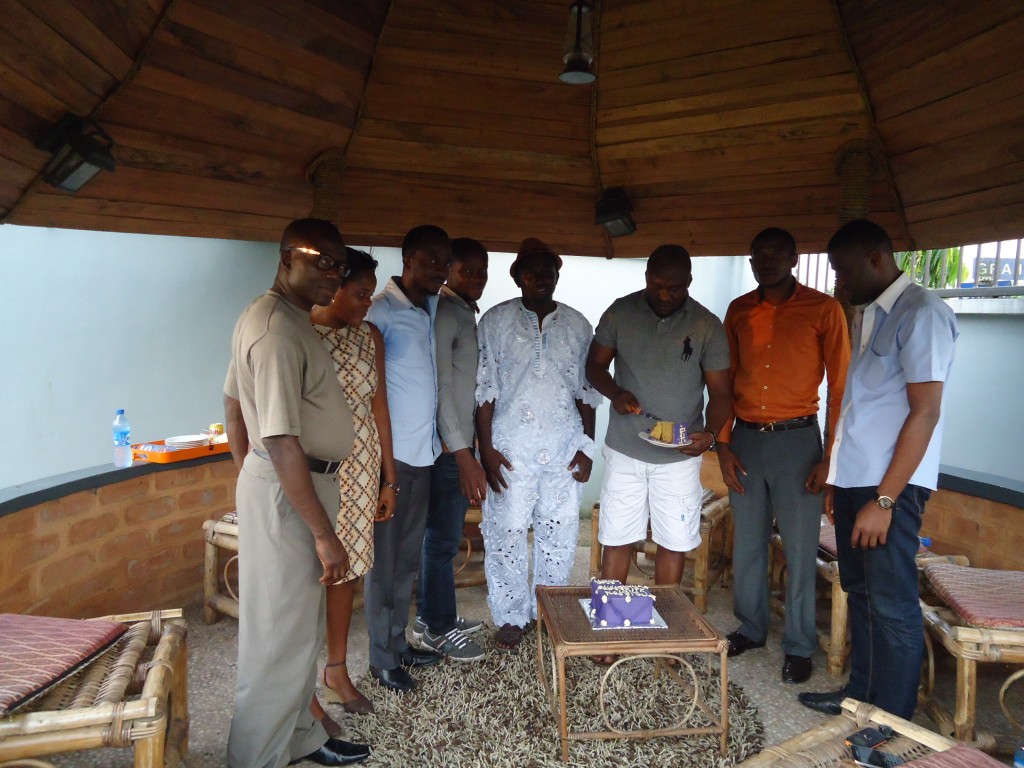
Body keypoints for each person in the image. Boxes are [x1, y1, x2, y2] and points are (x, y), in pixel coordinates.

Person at [223, 218, 370, 767]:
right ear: (288, 258)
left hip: (293, 486)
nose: (335, 274)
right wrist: (324, 535)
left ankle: (299, 739)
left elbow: (233, 402)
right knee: (276, 642)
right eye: (322, 261)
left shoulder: (278, 316)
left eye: (341, 265)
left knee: (299, 628)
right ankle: (254, 758)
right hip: (294, 491)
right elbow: (279, 438)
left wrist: (250, 475)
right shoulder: (276, 330)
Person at [798, 219, 958, 720]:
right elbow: (864, 407)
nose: (838, 284)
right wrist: (839, 480)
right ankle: (860, 697)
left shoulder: (923, 313)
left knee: (892, 604)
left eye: (844, 272)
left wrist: (884, 500)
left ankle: (892, 723)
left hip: (890, 489)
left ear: (875, 259)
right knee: (861, 593)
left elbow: (925, 411)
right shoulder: (871, 315)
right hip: (857, 482)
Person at [585, 244, 732, 665]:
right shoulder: (621, 312)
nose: (664, 294)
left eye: (675, 287)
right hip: (626, 449)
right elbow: (594, 367)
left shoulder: (706, 325)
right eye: (657, 285)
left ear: (689, 283)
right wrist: (614, 392)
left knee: (673, 541)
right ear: (646, 276)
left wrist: (710, 434)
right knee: (616, 537)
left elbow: (721, 393)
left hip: (680, 456)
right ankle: (611, 632)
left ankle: (663, 638)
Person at [717, 227, 850, 684]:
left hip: (798, 441)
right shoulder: (739, 310)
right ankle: (751, 628)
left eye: (776, 253)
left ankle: (798, 645)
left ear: (794, 258)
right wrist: (723, 444)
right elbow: (724, 382)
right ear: (751, 260)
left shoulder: (824, 308)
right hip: (747, 439)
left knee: (798, 547)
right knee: (749, 541)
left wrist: (830, 457)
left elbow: (843, 387)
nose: (766, 260)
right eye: (758, 254)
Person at [475, 238, 600, 651]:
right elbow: (484, 389)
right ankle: (511, 616)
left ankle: (550, 611)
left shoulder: (580, 325)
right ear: (516, 277)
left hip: (563, 448)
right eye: (530, 272)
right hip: (509, 449)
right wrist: (487, 450)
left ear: (556, 275)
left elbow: (586, 391)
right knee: (506, 531)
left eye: (547, 271)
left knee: (560, 532)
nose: (539, 279)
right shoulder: (493, 322)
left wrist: (586, 447)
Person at [308, 249, 399, 720]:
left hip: (363, 471)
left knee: (348, 571)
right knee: (307, 576)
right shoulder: (299, 331)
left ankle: (337, 669)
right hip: (315, 472)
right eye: (361, 293)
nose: (368, 302)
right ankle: (301, 687)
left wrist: (390, 478)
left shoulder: (370, 337)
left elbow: (379, 407)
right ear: (334, 287)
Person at [362, 224, 452, 692]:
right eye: (431, 260)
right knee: (384, 562)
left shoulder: (431, 309)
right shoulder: (382, 313)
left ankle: (398, 644)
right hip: (390, 461)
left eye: (445, 263)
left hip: (424, 455)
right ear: (409, 259)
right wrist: (383, 471)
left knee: (406, 560)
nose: (440, 270)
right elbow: (369, 391)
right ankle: (381, 659)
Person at [413, 237, 490, 662]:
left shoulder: (462, 311)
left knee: (440, 538)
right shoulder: (445, 314)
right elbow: (441, 387)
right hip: (449, 446)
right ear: (450, 270)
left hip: (457, 443)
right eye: (467, 270)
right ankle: (440, 630)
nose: (475, 278)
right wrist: (462, 453)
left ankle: (430, 617)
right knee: (441, 541)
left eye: (482, 271)